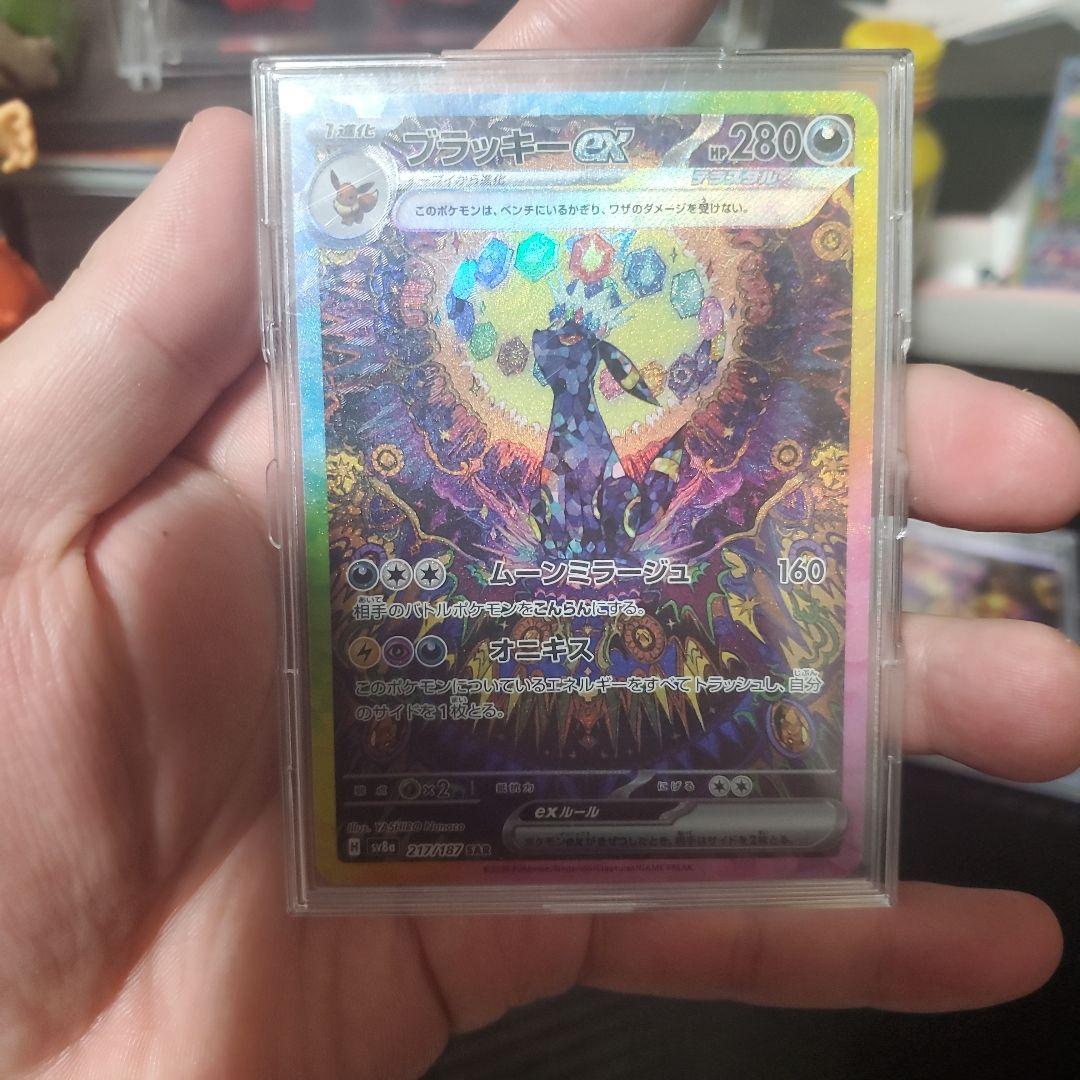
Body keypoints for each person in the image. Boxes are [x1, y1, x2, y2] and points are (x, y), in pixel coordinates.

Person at [1, 1, 1079, 1075]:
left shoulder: (577, 343)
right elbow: (586, 369)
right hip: (566, 454)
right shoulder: (569, 341)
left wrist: (647, 376)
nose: (579, 299)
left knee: (589, 499)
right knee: (576, 500)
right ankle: (581, 551)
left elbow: (611, 375)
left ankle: (590, 552)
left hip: (584, 443)